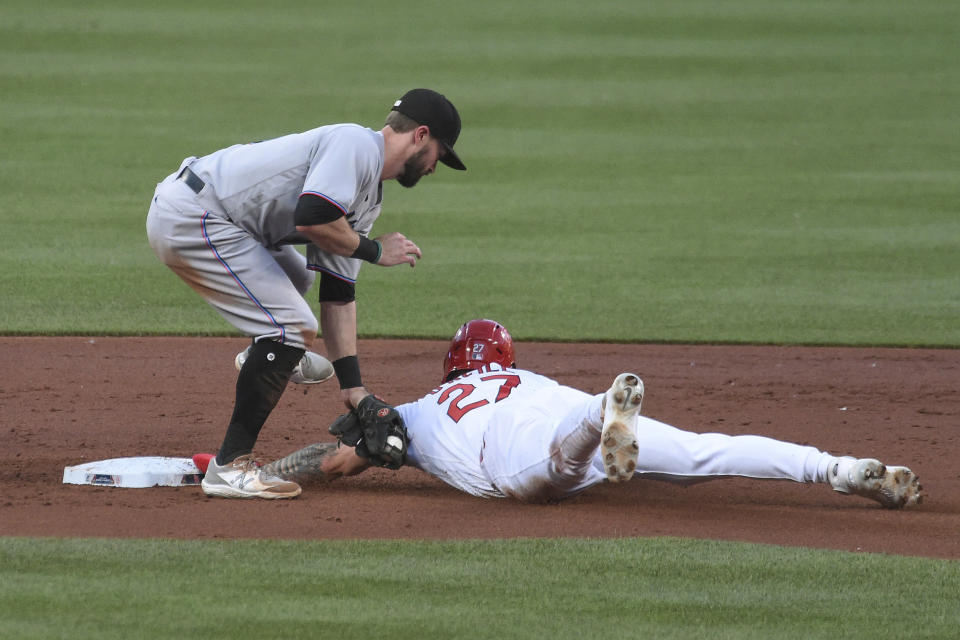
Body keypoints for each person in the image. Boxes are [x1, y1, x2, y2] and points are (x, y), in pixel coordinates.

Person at [146, 89, 466, 499]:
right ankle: (229, 467)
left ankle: (258, 356)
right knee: (291, 326)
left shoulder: (367, 195)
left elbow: (339, 292)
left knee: (299, 282)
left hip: (223, 220)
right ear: (421, 135)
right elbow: (313, 218)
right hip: (193, 214)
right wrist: (376, 251)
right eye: (441, 152)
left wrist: (354, 390)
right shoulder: (355, 145)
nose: (436, 167)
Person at [263, 319, 923, 509]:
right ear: (502, 357)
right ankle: (836, 469)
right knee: (702, 451)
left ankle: (600, 420)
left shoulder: (420, 407)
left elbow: (340, 461)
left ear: (451, 367)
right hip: (563, 405)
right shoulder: (525, 373)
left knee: (544, 474)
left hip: (511, 447)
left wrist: (275, 469)